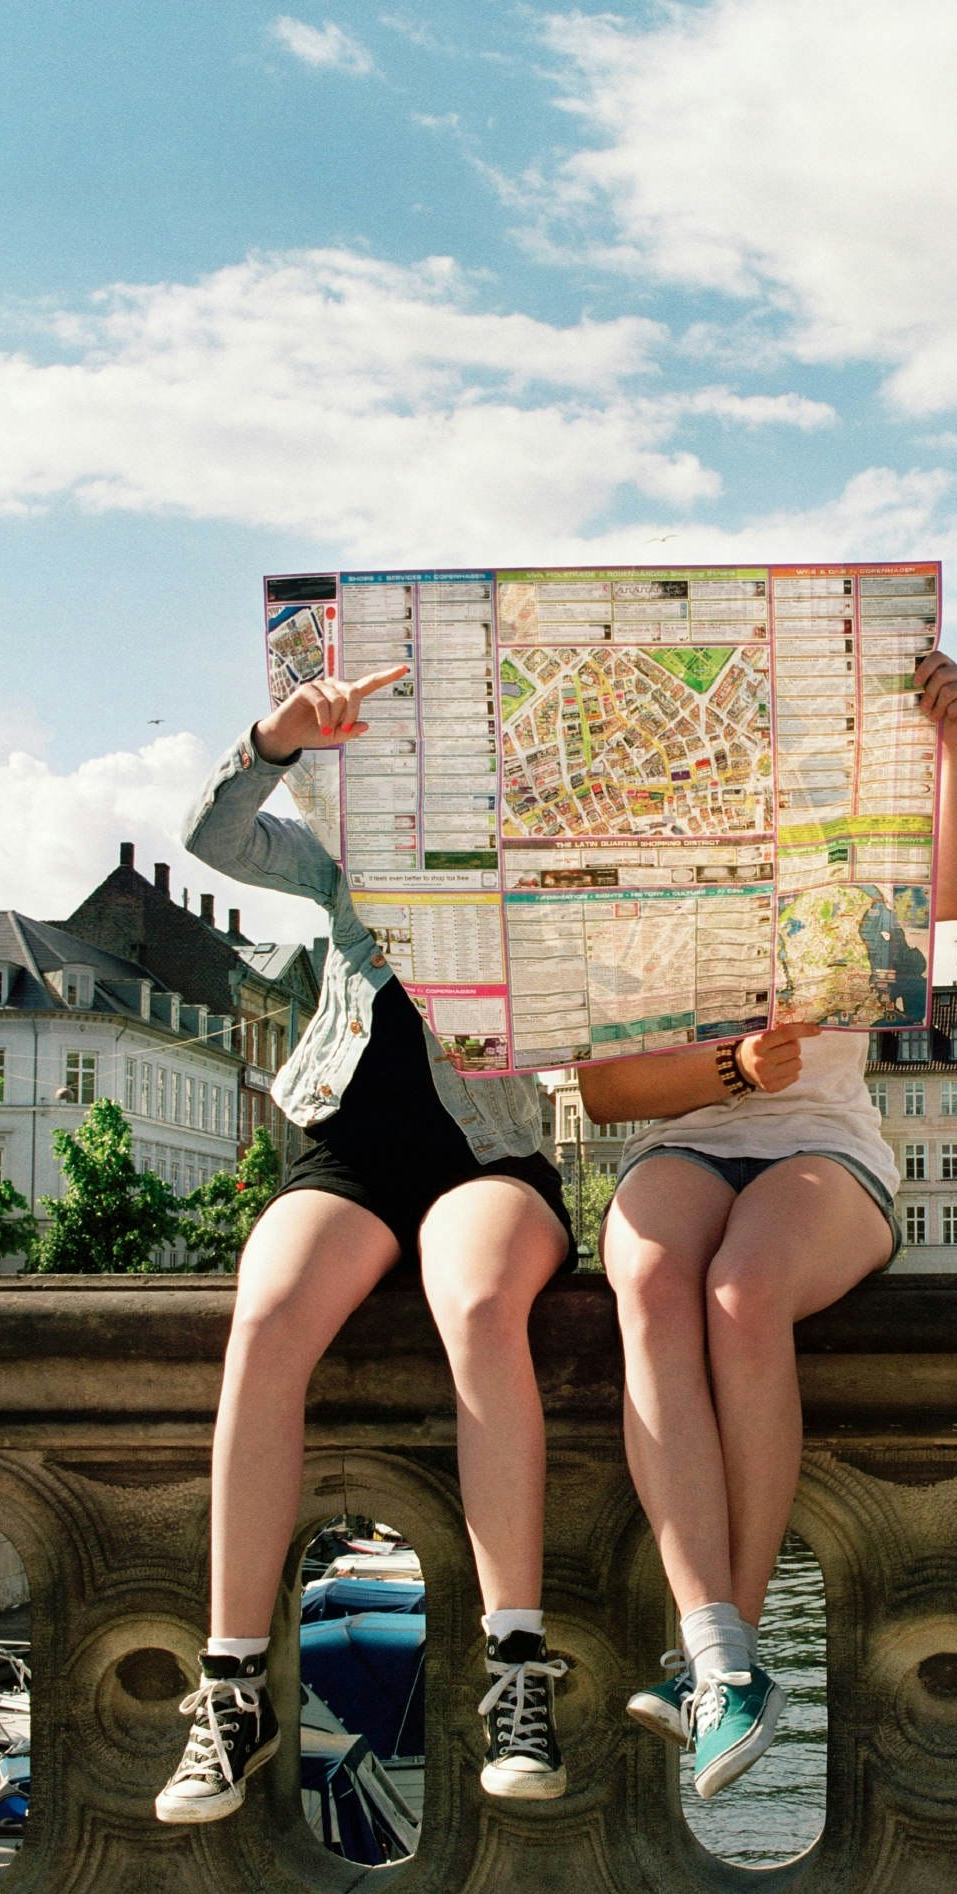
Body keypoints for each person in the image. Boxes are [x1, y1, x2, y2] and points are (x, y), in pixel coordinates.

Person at [155, 664, 576, 1826]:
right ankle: (233, 1686)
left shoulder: (543, 863)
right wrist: (273, 738)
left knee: (478, 1304)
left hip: (486, 1152)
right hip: (343, 1145)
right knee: (269, 1313)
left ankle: (516, 1669)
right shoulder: (348, 855)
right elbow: (212, 836)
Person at [581, 649, 957, 1798]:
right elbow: (608, 1095)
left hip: (826, 1148)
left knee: (740, 1291)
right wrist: (729, 1066)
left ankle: (720, 1653)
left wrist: (954, 744)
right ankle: (724, 1664)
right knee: (653, 1280)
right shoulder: (638, 885)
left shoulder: (845, 862)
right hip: (686, 1137)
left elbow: (947, 893)